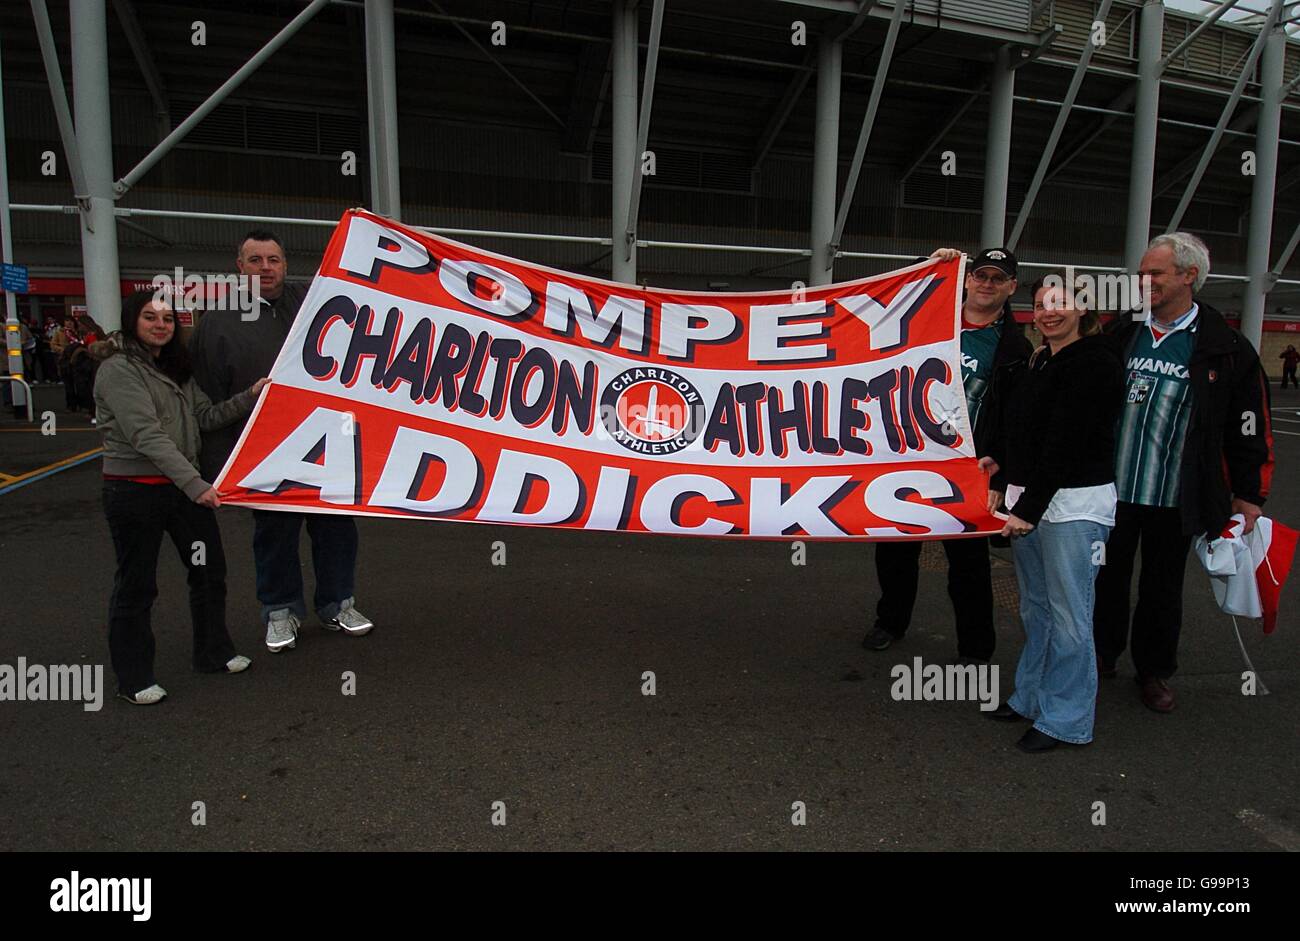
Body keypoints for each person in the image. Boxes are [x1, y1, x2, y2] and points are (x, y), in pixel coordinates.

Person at [1094, 232, 1273, 713]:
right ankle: (1099, 655)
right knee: (1104, 577)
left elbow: (1249, 427)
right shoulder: (1122, 331)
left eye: (1155, 273)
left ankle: (1153, 671)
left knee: (1162, 587)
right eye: (1142, 272)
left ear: (1189, 276)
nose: (1143, 281)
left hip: (1176, 495)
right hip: (1112, 490)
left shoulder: (1226, 346)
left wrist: (1249, 494)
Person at [190, 229, 374, 654]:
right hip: (264, 451)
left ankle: (337, 603)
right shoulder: (217, 323)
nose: (265, 268)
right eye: (255, 260)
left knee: (336, 528)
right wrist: (220, 466)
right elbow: (210, 402)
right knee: (274, 533)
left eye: (273, 260)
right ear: (240, 267)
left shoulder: (314, 304)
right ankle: (279, 610)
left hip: (328, 444)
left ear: (285, 265)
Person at [92, 290, 269, 705]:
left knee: (208, 572)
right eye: (150, 317)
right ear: (132, 320)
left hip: (182, 492)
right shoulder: (118, 370)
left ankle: (213, 653)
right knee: (137, 584)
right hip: (135, 493)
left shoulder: (177, 369)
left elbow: (205, 417)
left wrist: (251, 396)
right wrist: (196, 485)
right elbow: (146, 436)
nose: (160, 325)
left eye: (168, 319)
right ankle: (133, 678)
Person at [861, 247, 1032, 665]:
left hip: (972, 467)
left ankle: (976, 650)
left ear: (1011, 287)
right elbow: (883, 307)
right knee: (896, 548)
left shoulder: (1013, 347)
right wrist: (928, 264)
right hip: (910, 456)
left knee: (969, 565)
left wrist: (1000, 474)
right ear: (967, 279)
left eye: (997, 278)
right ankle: (891, 620)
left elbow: (1015, 417)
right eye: (980, 275)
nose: (987, 284)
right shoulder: (929, 319)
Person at [983, 274, 1122, 751]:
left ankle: (1066, 719)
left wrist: (1029, 508)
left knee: (1069, 616)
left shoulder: (1096, 363)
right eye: (1041, 304)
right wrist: (1000, 473)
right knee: (1037, 608)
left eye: (1060, 303)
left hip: (1072, 508)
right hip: (1031, 502)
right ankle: (1030, 696)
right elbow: (1020, 430)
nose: (1049, 312)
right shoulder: (1039, 360)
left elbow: (1066, 441)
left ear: (1084, 309)